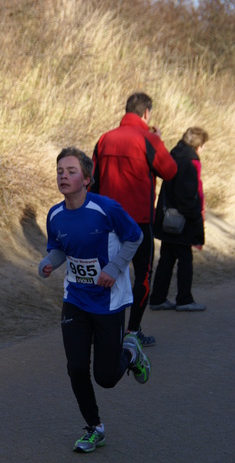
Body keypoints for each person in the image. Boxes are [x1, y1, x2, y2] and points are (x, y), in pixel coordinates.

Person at [38, 147, 151, 454]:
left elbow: (135, 237)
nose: (64, 175)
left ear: (87, 178)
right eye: (60, 170)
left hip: (108, 301)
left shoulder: (106, 209)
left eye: (71, 171)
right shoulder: (55, 214)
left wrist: (114, 268)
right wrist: (49, 261)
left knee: (106, 378)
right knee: (76, 367)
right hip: (75, 298)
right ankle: (94, 428)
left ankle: (130, 352)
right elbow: (59, 247)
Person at [90, 92, 177, 346]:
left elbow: (93, 180)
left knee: (107, 273)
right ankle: (132, 331)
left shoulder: (105, 138)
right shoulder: (148, 138)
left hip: (107, 220)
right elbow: (170, 170)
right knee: (143, 275)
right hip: (138, 220)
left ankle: (104, 329)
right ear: (146, 113)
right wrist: (158, 141)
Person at [149, 127, 209, 312]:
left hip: (167, 217)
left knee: (167, 258)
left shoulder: (173, 155)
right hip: (181, 220)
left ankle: (158, 298)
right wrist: (195, 218)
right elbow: (189, 195)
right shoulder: (190, 162)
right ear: (198, 145)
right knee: (184, 259)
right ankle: (184, 299)